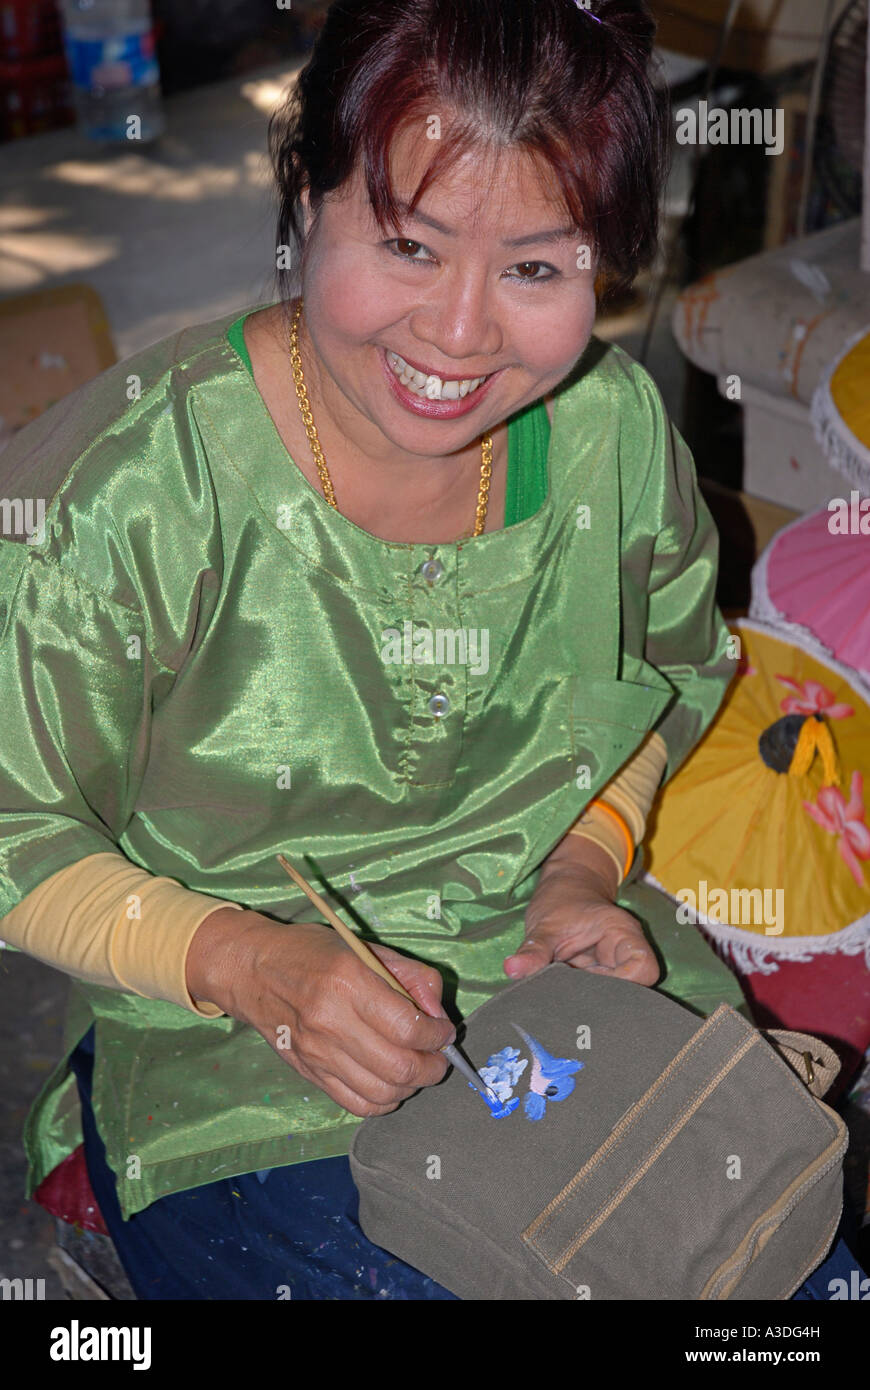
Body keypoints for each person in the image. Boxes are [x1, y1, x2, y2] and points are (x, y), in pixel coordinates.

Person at [0, 0, 860, 1299]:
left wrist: (583, 863)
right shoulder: (135, 491)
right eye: (407, 244)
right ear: (304, 197)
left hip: (562, 967)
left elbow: (672, 673)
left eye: (535, 266)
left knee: (770, 1265)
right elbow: (16, 829)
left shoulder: (609, 437)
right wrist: (256, 964)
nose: (458, 335)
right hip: (241, 1047)